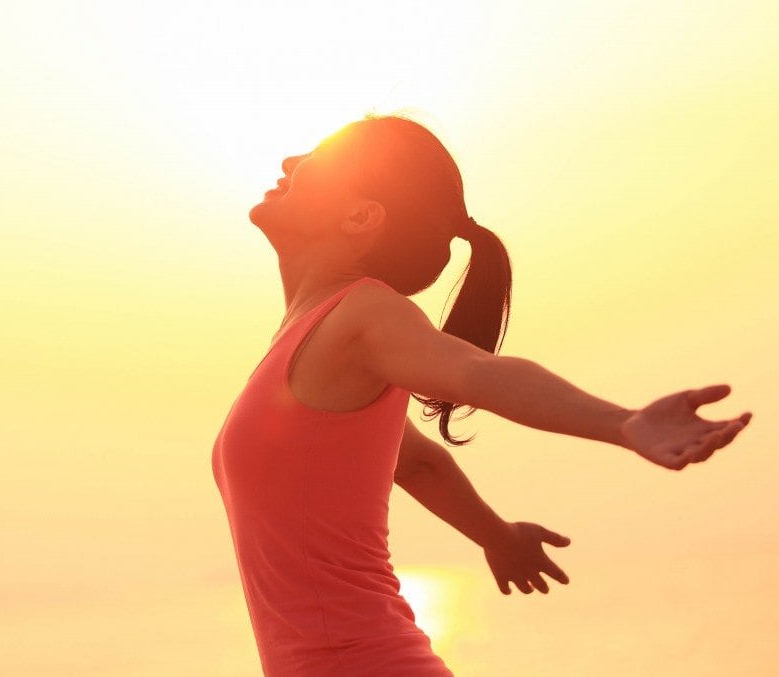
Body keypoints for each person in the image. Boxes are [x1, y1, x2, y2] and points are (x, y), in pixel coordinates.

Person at [210, 113, 752, 676]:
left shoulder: (365, 314)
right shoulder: (312, 332)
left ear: (360, 215)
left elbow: (473, 371)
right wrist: (498, 536)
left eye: (315, 158)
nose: (289, 163)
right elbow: (415, 462)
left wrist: (622, 422)